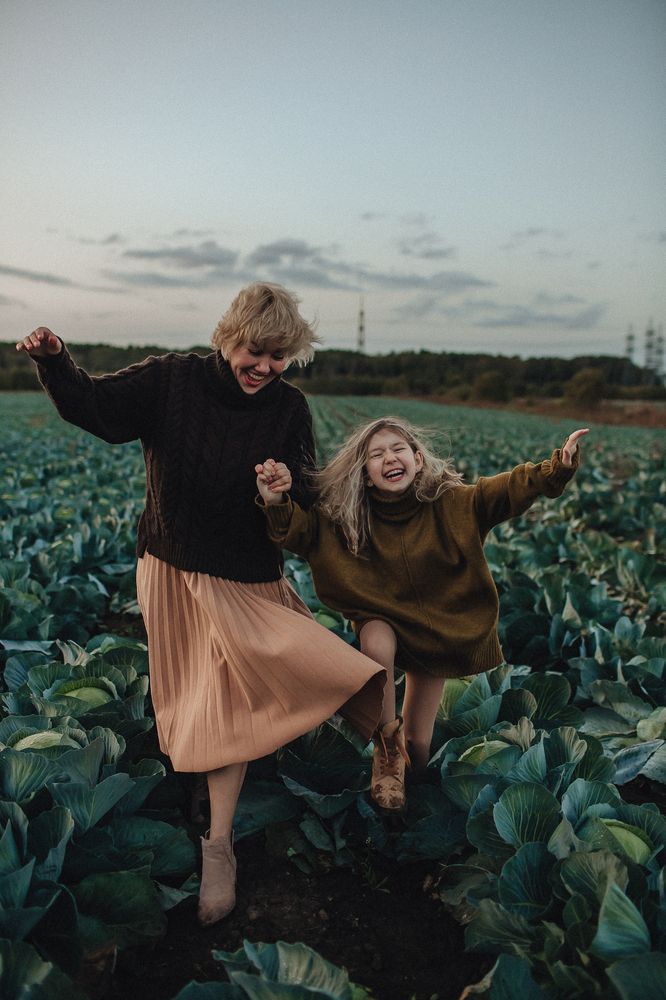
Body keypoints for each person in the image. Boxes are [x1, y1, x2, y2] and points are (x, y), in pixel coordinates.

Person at [16, 283, 385, 925]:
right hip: (174, 571)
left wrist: (282, 487)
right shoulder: (171, 380)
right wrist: (54, 362)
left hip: (247, 577)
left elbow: (303, 487)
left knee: (280, 678)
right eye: (254, 351)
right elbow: (97, 408)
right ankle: (213, 826)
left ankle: (375, 749)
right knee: (207, 699)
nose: (264, 367)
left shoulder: (290, 407)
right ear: (227, 337)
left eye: (278, 356)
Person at [256, 416, 588, 812]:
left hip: (435, 628)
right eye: (376, 455)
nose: (389, 458)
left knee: (417, 744)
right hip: (382, 618)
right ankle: (385, 746)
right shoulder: (347, 517)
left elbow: (506, 490)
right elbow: (301, 533)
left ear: (417, 460)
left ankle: (402, 812)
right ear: (365, 475)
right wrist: (276, 502)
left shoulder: (453, 503)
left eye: (398, 449)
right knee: (376, 641)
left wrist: (557, 467)